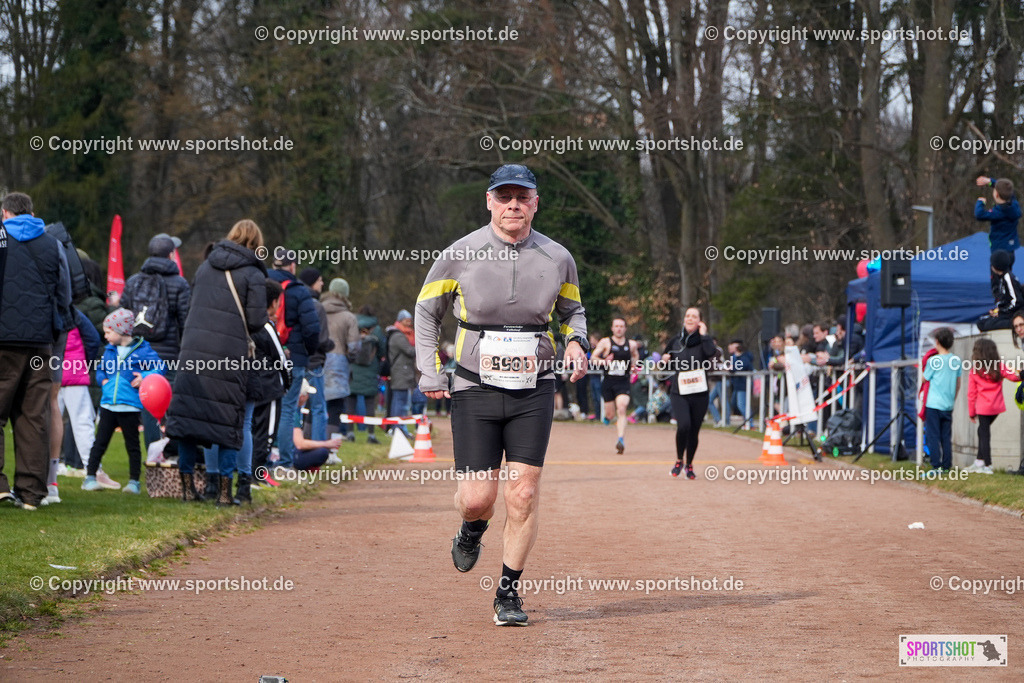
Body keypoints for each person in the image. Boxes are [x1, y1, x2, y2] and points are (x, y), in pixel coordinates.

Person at [415, 163, 588, 626]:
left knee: (523, 493)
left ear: (535, 203)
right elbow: (426, 311)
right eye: (504, 196)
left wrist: (576, 341)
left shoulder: (558, 257)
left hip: (535, 387)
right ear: (489, 201)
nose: (514, 204)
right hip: (475, 384)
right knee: (477, 497)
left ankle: (508, 593)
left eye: (523, 196)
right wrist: (431, 372)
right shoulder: (459, 253)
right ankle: (472, 529)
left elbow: (573, 311)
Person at [165, 220, 268, 503]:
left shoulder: (204, 266)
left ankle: (188, 489)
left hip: (193, 350)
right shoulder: (253, 273)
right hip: (228, 353)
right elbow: (257, 321)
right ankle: (225, 493)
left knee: (188, 419)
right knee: (228, 422)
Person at [0, 191, 71, 510]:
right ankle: (31, 492)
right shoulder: (52, 243)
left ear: (5, 213)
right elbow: (65, 293)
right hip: (41, 341)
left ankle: (0, 486)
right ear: (30, 212)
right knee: (34, 416)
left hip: (3, 340)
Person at [81, 309, 164, 494]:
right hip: (108, 406)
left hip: (130, 407)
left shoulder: (143, 350)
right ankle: (90, 477)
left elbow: (160, 367)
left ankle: (134, 482)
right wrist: (102, 380)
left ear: (122, 331)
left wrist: (144, 376)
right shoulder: (109, 350)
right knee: (99, 443)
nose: (105, 335)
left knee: (132, 445)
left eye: (108, 332)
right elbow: (101, 369)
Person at [120, 233, 191, 449]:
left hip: (141, 353)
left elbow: (122, 318)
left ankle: (153, 453)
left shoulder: (133, 282)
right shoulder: (179, 284)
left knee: (148, 404)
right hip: (169, 356)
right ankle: (172, 452)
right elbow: (185, 321)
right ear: (171, 255)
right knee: (173, 404)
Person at [268, 253, 321, 470]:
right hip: (294, 357)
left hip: (265, 355)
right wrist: (306, 353)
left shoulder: (261, 284)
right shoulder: (299, 291)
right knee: (288, 409)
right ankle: (285, 461)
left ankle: (263, 459)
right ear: (292, 266)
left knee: (266, 409)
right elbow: (311, 328)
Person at [662, 307, 716, 479]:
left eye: (694, 316)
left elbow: (710, 353)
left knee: (694, 431)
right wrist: (665, 360)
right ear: (684, 319)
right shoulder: (676, 340)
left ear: (700, 321)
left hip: (700, 392)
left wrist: (705, 334)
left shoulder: (704, 341)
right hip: (680, 391)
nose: (690, 318)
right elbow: (667, 362)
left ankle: (689, 464)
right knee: (684, 425)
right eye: (688, 316)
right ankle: (679, 460)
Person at [251, 279, 291, 487]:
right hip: (269, 387)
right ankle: (257, 474)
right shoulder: (266, 326)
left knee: (252, 429)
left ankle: (251, 472)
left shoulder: (248, 323)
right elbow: (280, 358)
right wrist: (287, 381)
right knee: (266, 434)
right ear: (274, 303)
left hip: (251, 385)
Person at [966, 337, 1019, 474]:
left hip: (983, 409)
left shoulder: (975, 370)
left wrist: (972, 413)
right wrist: (1021, 373)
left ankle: (987, 465)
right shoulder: (999, 366)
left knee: (984, 434)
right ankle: (979, 461)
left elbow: (971, 394)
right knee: (982, 431)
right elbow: (1014, 377)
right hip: (996, 408)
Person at [591, 318, 639, 453]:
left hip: (623, 381)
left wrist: (634, 365)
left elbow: (635, 355)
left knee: (622, 407)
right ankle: (608, 417)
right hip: (608, 382)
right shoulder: (605, 342)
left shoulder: (631, 344)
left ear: (625, 329)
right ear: (612, 328)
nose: (619, 328)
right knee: (611, 414)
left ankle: (621, 439)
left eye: (621, 326)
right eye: (616, 326)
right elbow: (593, 358)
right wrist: (604, 362)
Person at [321, 278, 359, 438]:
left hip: (318, 361)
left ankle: (312, 443)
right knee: (336, 407)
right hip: (339, 363)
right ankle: (329, 449)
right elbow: (354, 347)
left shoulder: (317, 309)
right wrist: (350, 358)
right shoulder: (349, 317)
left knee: (315, 405)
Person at [297, 267, 332, 441]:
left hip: (296, 361)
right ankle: (319, 446)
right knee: (318, 407)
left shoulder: (294, 300)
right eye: (319, 280)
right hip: (314, 363)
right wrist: (330, 344)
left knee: (294, 406)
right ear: (312, 283)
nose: (322, 283)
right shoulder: (317, 306)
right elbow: (322, 339)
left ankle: (294, 444)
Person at [922, 327, 961, 471]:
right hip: (948, 404)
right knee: (946, 436)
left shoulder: (934, 361)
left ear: (937, 342)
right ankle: (946, 465)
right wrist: (953, 399)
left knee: (933, 435)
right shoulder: (956, 361)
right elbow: (958, 384)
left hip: (933, 403)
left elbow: (924, 378)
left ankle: (935, 465)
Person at [975, 175, 1021, 295]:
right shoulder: (1014, 206)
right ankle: (1010, 298)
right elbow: (1009, 192)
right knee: (1008, 277)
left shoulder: (998, 213)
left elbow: (979, 214)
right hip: (1010, 251)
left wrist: (980, 202)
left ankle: (1000, 304)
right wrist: (990, 182)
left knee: (997, 281)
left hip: (999, 252)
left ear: (996, 195)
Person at [348, 311, 383, 443]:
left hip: (353, 368)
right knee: (370, 405)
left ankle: (350, 434)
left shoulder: (352, 324)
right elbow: (382, 350)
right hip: (370, 369)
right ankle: (371, 435)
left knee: (350, 403)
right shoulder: (376, 329)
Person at [977, 250, 1023, 331]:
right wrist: (997, 310)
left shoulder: (1008, 278)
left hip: (1012, 313)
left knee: (988, 325)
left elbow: (1016, 301)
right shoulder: (1001, 279)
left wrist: (1002, 312)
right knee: (981, 322)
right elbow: (1005, 300)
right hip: (1006, 312)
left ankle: (1014, 324)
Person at [388, 309, 417, 432]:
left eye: (410, 320)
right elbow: (410, 351)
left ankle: (398, 428)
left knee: (400, 401)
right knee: (400, 402)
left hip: (403, 372)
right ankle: (398, 428)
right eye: (406, 320)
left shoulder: (401, 334)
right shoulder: (398, 336)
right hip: (401, 373)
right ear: (400, 321)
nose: (409, 323)